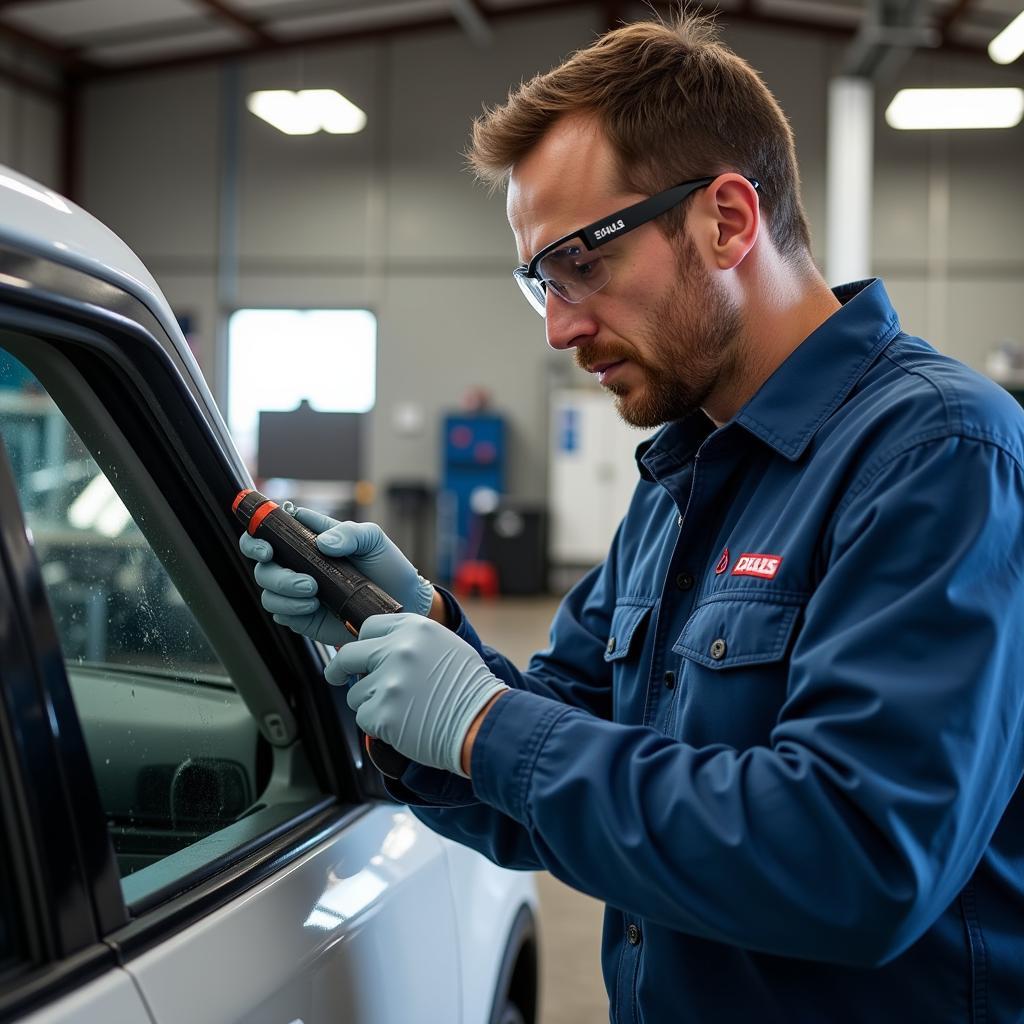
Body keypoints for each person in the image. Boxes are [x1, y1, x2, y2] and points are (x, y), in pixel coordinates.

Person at [241, 12, 1024, 1022]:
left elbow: (859, 858)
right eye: (539, 285)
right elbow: (561, 759)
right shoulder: (683, 474)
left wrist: (481, 722)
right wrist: (418, 637)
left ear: (728, 222)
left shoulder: (939, 455)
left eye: (579, 264)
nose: (561, 325)